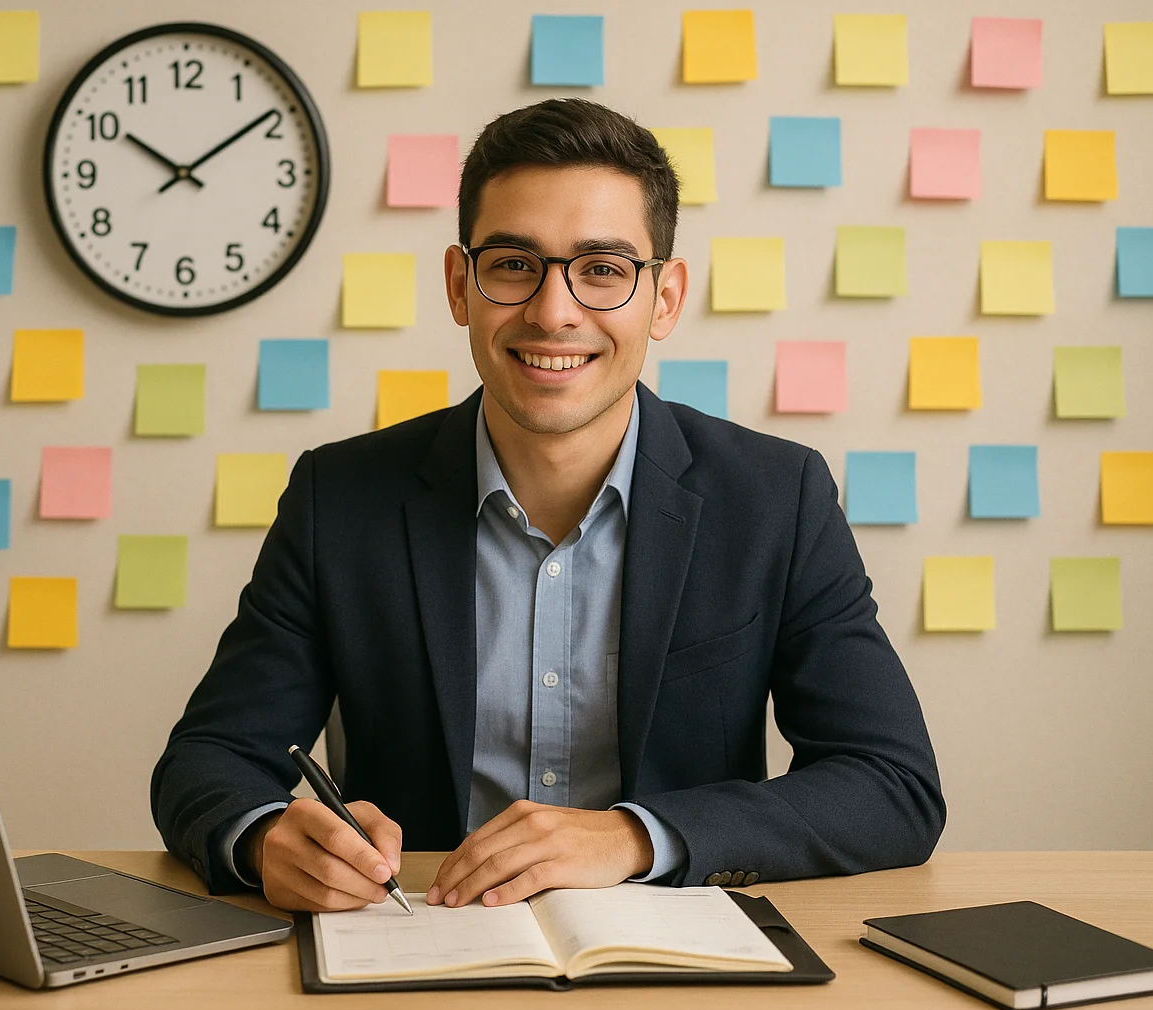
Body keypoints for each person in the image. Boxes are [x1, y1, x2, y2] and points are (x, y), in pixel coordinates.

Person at [151, 97, 944, 913]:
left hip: (676, 961)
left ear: (664, 298)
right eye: (514, 264)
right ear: (462, 286)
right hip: (415, 949)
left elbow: (891, 786)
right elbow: (211, 758)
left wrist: (636, 836)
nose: (554, 311)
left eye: (602, 269)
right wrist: (261, 838)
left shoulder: (777, 497)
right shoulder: (340, 498)